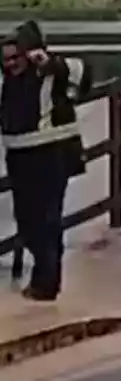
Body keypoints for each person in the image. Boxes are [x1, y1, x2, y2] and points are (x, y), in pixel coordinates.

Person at [2, 21, 89, 301]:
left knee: (47, 221)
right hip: (19, 158)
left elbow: (83, 73)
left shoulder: (53, 72)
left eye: (16, 57)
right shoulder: (6, 81)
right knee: (27, 222)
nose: (11, 64)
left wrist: (51, 63)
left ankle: (47, 284)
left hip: (52, 155)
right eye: (5, 59)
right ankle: (43, 277)